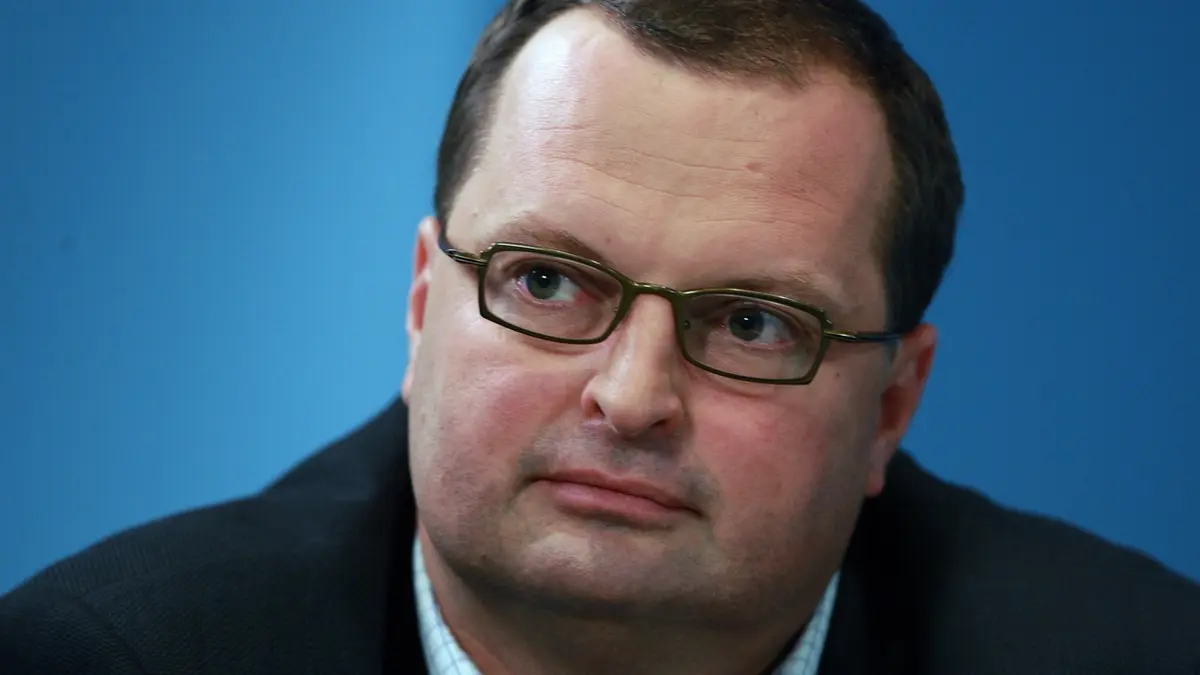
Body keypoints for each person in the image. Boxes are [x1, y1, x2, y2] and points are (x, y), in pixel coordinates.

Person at [3, 0, 1199, 672]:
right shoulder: (116, 657)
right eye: (546, 281)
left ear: (891, 406)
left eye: (752, 322)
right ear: (422, 308)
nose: (631, 399)